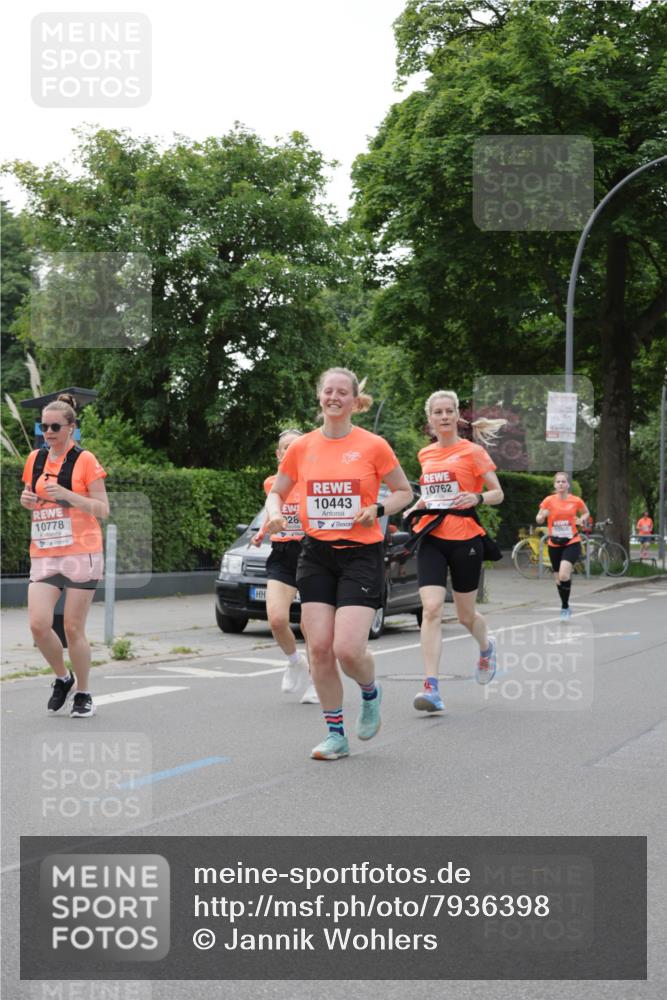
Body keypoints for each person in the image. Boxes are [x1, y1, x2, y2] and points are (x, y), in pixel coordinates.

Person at [265, 368, 413, 761]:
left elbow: (404, 492)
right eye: (328, 391)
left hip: (360, 554)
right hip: (315, 553)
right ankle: (335, 734)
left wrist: (378, 509)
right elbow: (276, 493)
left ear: (353, 400)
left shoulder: (373, 445)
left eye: (342, 392)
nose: (334, 397)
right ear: (320, 397)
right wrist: (276, 513)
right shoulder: (303, 447)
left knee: (348, 649)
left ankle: (370, 692)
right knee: (319, 650)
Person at [405, 391, 505, 713]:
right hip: (432, 536)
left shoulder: (472, 452)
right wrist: (416, 506)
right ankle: (431, 687)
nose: (444, 416)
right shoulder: (425, 454)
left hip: (465, 539)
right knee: (431, 608)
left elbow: (497, 493)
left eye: (449, 411)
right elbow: (431, 494)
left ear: (457, 416)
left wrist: (476, 498)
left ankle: (486, 647)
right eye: (438, 412)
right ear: (430, 418)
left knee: (464, 615)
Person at [20, 394, 109, 717]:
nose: (48, 431)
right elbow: (29, 497)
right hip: (45, 552)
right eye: (44, 426)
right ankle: (63, 677)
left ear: (71, 428)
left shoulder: (85, 460)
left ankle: (84, 693)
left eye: (55, 426)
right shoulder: (35, 459)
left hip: (81, 552)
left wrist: (70, 496)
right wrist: (27, 500)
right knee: (38, 625)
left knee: (72, 628)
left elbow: (103, 508)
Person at [252, 429, 318, 704]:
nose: (289, 452)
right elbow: (273, 507)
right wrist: (261, 531)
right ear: (278, 455)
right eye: (284, 449)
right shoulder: (271, 483)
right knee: (277, 619)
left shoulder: (314, 480)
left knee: (310, 624)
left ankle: (316, 681)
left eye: (295, 447)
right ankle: (294, 661)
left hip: (311, 551)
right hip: (281, 552)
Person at [535, 472, 589, 622]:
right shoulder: (548, 501)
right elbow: (538, 518)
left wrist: (581, 520)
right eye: (558, 482)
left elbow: (586, 513)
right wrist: (542, 515)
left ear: (567, 484)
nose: (560, 484)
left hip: (572, 541)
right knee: (558, 579)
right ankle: (565, 605)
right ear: (554, 485)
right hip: (554, 543)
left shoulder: (575, 500)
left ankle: (564, 608)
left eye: (563, 482)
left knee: (564, 575)